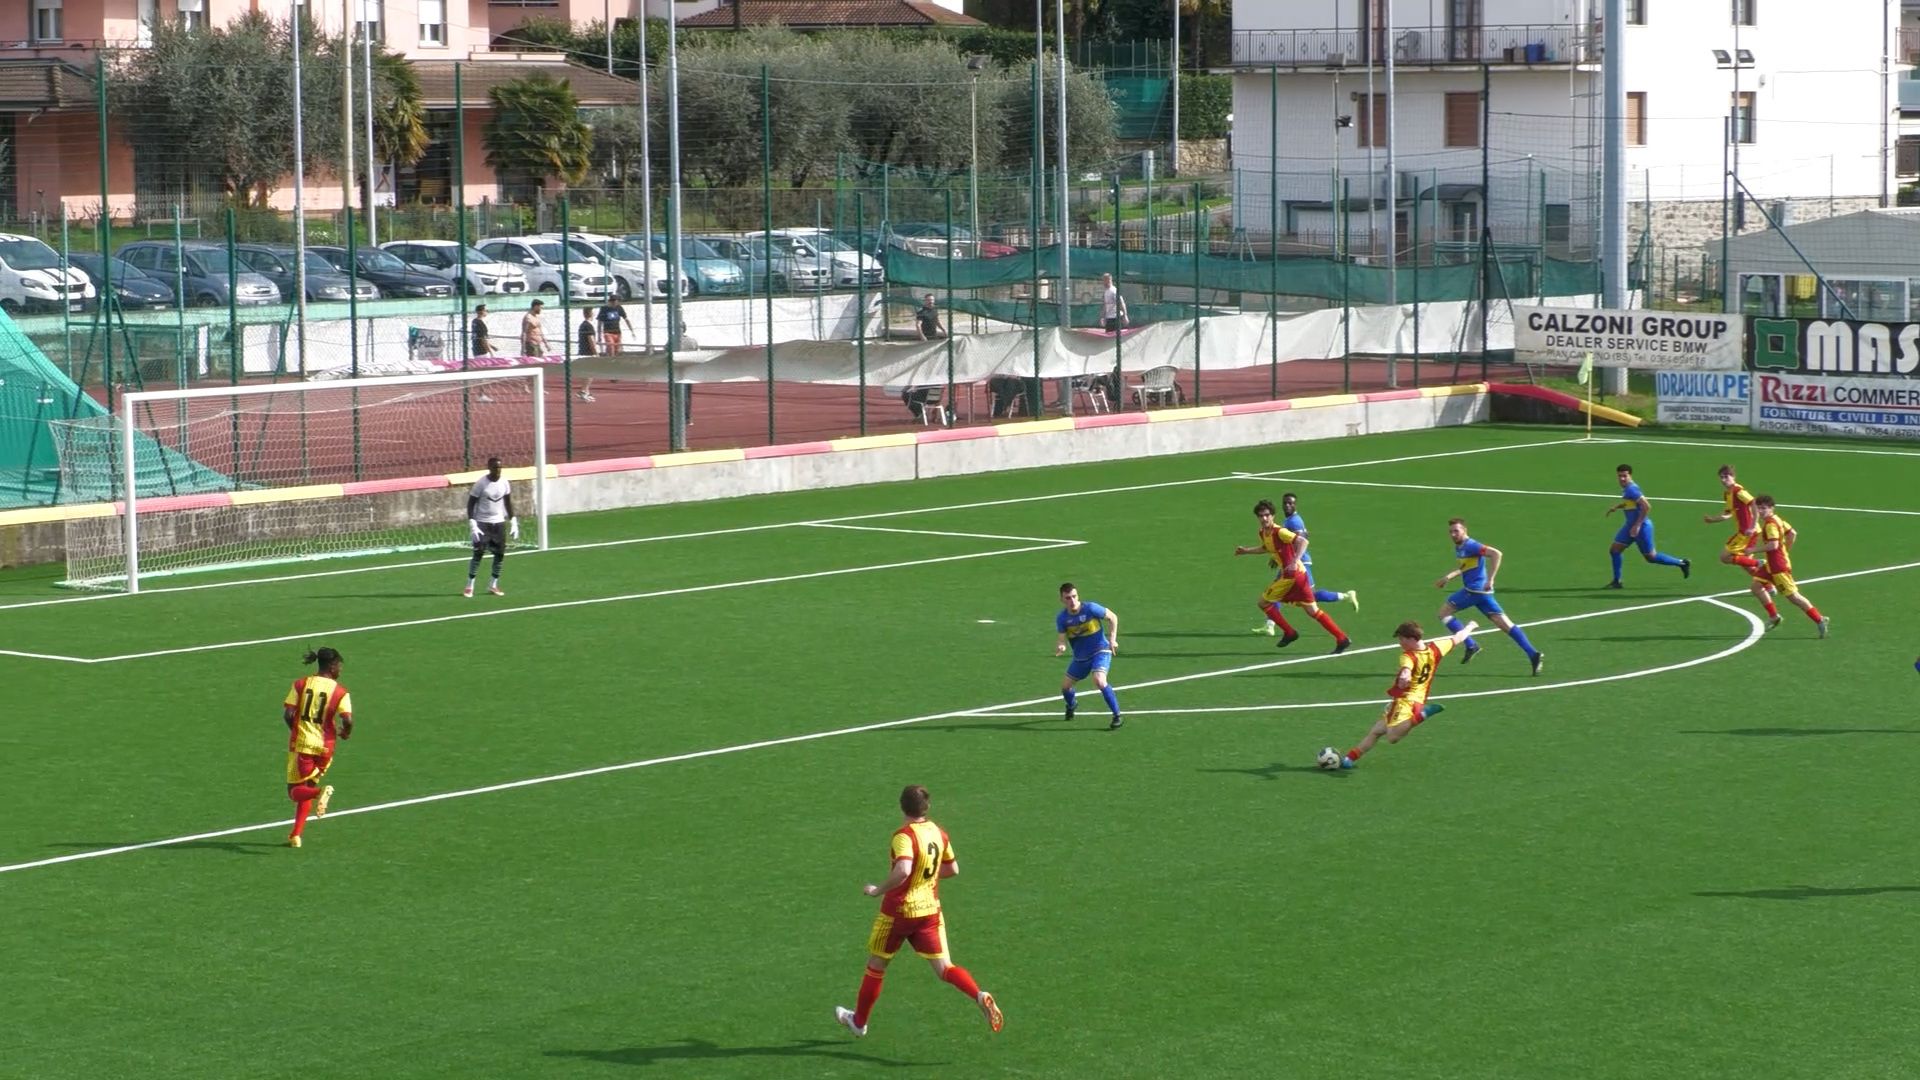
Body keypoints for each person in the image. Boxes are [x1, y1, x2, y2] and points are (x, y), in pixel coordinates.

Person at [834, 784, 1003, 1039]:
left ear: (902, 807)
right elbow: (953, 869)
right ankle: (978, 994)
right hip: (929, 911)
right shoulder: (938, 833)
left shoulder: (904, 836)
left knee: (876, 965)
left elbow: (903, 870)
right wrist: (925, 877)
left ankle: (859, 1022)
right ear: (927, 807)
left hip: (898, 913)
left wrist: (877, 890)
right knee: (945, 968)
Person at [1331, 620, 1478, 769]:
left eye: (1402, 639)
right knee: (1376, 731)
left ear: (1412, 639)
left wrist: (1405, 675)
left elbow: (1407, 668)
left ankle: (1422, 715)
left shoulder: (1408, 656)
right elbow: (1458, 637)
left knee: (1392, 737)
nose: (1400, 643)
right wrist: (1470, 627)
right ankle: (1349, 759)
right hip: (1417, 700)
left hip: (1406, 701)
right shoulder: (1437, 647)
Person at [1234, 499, 1352, 653]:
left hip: (1291, 576)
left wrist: (1295, 560)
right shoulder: (1263, 533)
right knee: (1312, 610)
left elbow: (1303, 541)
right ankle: (1342, 639)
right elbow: (1266, 548)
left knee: (1263, 603)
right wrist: (1246, 551)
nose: (1264, 518)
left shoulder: (1280, 532)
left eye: (1267, 515)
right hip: (1300, 575)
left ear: (1273, 516)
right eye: (1261, 516)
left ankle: (1290, 633)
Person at [1435, 517, 1544, 674]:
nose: (1453, 534)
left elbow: (1496, 554)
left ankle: (1471, 645)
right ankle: (1533, 654)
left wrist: (1491, 579)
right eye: (1451, 532)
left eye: (1456, 531)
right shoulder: (1460, 547)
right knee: (1505, 624)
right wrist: (1448, 577)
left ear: (1465, 530)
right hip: (1483, 593)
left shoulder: (1471, 545)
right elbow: (1466, 566)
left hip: (1474, 591)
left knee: (1444, 613)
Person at [1252, 492, 1358, 635]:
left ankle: (1345, 597)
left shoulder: (1294, 521)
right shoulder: (1289, 520)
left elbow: (1301, 540)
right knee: (1278, 592)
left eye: (1290, 503)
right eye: (1285, 503)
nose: (1287, 505)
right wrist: (1275, 554)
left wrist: (1294, 559)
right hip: (1288, 564)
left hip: (1298, 564)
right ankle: (1270, 625)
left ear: (1295, 505)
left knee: (1308, 597)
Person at [282, 647, 353, 848]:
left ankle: (320, 793)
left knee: (294, 791)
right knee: (307, 786)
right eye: (339, 666)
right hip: (325, 748)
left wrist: (297, 731)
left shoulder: (300, 684)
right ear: (332, 666)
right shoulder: (340, 691)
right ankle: (296, 835)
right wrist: (346, 733)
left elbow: (288, 714)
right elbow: (347, 719)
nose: (340, 670)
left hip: (303, 746)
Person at [1750, 495, 1829, 637]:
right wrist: (1785, 550)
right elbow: (1792, 533)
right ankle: (1774, 616)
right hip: (1771, 565)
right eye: (1758, 508)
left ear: (1771, 508)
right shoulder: (1777, 520)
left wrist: (1752, 550)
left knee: (1793, 597)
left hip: (1778, 568)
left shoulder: (1770, 525)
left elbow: (1773, 545)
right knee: (1756, 586)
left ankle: (1819, 619)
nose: (1760, 511)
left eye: (1763, 508)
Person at [1604, 464, 1691, 588]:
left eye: (1625, 476)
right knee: (1614, 550)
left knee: (1651, 557)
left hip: (1641, 528)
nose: (1622, 478)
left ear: (1630, 475)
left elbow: (1646, 506)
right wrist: (1617, 507)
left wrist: (1637, 526)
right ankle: (1617, 581)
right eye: (1620, 476)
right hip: (1630, 526)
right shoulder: (1627, 489)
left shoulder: (1632, 489)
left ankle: (1682, 563)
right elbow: (1631, 503)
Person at [1054, 582, 1122, 730]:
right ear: (1062, 600)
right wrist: (1061, 645)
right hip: (1080, 658)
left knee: (1099, 680)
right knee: (1065, 688)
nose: (1072, 601)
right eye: (1068, 598)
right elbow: (1061, 638)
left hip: (1100, 651)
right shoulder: (1062, 618)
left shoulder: (1091, 608)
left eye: (1074, 596)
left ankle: (1117, 715)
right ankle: (1072, 705)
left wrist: (1112, 639)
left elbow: (1112, 617)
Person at [464, 455, 518, 598]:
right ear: (489, 468)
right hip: (482, 523)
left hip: (498, 523)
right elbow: (470, 504)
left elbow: (508, 502)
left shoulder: (505, 483)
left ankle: (493, 585)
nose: (498, 470)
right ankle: (469, 585)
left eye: (500, 467)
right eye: (495, 467)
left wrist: (513, 520)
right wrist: (473, 523)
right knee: (478, 553)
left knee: (499, 554)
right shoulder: (481, 484)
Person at [1701, 464, 1764, 576]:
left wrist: (1752, 526)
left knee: (1724, 557)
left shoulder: (1738, 491)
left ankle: (1760, 563)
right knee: (1747, 565)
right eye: (1721, 477)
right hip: (1749, 532)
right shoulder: (1728, 494)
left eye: (1726, 476)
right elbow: (1728, 514)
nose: (1723, 480)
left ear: (1733, 476)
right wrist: (1712, 520)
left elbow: (1754, 503)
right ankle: (1767, 583)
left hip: (1747, 533)